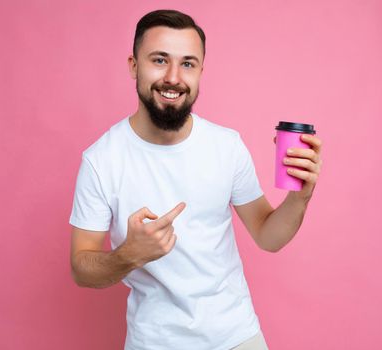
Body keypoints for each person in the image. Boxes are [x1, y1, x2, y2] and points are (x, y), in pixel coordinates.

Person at [69, 9, 323, 350]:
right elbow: (81, 268)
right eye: (159, 60)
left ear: (201, 71)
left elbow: (268, 236)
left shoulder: (226, 145)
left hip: (236, 336)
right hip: (153, 342)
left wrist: (299, 197)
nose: (173, 77)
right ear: (133, 66)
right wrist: (128, 254)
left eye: (187, 63)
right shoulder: (101, 160)